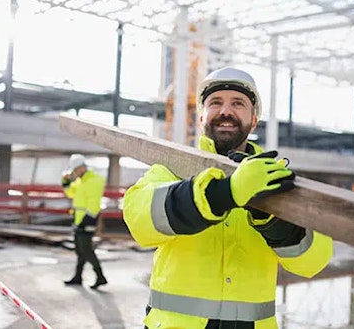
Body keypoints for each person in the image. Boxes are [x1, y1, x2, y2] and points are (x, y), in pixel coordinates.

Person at [123, 67, 333, 329]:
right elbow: (139, 221)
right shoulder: (170, 170)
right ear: (201, 118)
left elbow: (313, 261)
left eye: (238, 103)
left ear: (253, 120)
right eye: (215, 103)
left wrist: (270, 217)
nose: (226, 111)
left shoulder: (275, 181)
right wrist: (223, 194)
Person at [62, 153, 108, 289]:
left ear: (81, 168)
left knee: (86, 250)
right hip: (78, 220)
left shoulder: (93, 181)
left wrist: (87, 220)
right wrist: (66, 182)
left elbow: (94, 203)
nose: (74, 173)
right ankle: (78, 276)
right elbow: (70, 193)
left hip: (88, 220)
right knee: (79, 249)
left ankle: (100, 276)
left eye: (75, 170)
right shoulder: (81, 182)